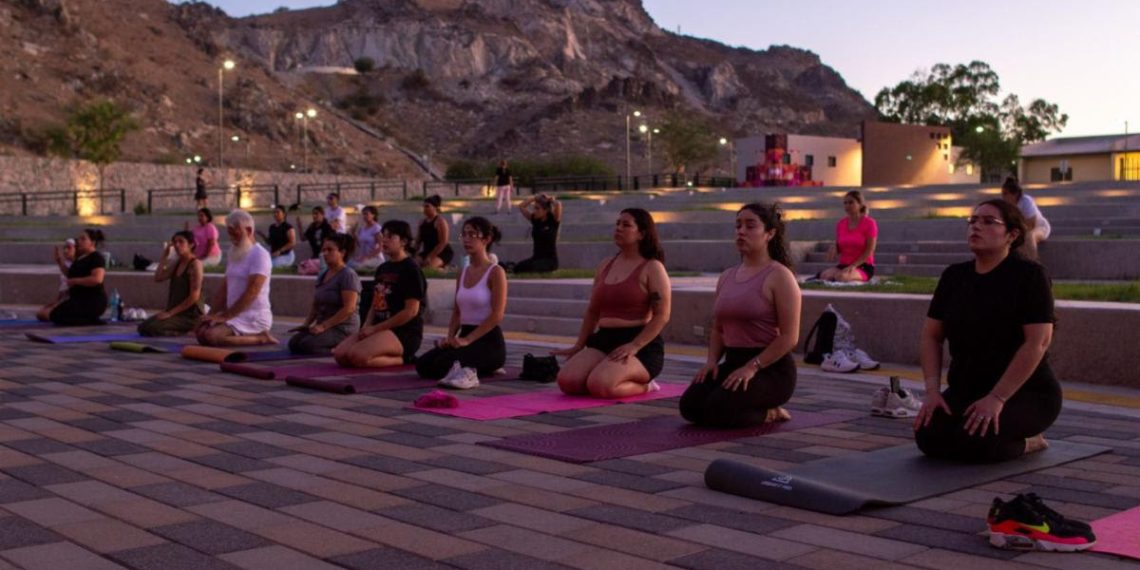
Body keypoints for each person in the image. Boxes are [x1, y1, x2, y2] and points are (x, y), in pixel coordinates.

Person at [913, 199, 1059, 463]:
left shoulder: (1029, 276)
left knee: (980, 443)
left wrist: (997, 397)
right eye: (973, 221)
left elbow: (1038, 342)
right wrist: (932, 392)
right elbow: (931, 336)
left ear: (1012, 235)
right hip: (967, 390)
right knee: (928, 435)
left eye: (989, 222)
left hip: (1026, 393)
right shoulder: (954, 277)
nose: (976, 227)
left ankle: (1032, 440)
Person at [680, 203, 801, 427]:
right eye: (738, 226)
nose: (741, 231)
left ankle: (770, 413)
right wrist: (711, 362)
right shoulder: (727, 276)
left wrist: (752, 367)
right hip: (734, 362)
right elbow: (718, 328)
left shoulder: (780, 276)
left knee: (719, 410)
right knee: (690, 407)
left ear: (770, 234)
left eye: (750, 226)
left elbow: (789, 337)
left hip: (770, 369)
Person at [554, 208, 671, 398]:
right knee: (567, 381)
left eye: (626, 225)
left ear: (641, 233)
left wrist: (634, 346)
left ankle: (647, 386)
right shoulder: (605, 265)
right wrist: (579, 345)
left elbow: (662, 315)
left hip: (639, 342)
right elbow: (593, 311)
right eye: (617, 224)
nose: (618, 228)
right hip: (604, 338)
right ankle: (605, 372)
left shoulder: (652, 267)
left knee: (601, 386)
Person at [415, 217, 508, 384]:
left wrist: (468, 340)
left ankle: (484, 366)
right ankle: (475, 364)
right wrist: (450, 337)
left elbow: (497, 315)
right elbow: (457, 311)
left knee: (442, 365)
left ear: (486, 239)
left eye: (472, 234)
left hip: (488, 340)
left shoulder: (496, 272)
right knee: (423, 365)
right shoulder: (463, 272)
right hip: (464, 335)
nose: (466, 239)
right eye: (464, 234)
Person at [333, 220, 427, 367]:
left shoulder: (411, 269)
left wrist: (376, 329)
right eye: (383, 236)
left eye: (390, 237)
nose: (384, 240)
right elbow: (376, 301)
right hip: (378, 328)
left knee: (358, 357)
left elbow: (411, 311)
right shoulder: (383, 268)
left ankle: (406, 359)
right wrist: (366, 326)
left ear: (403, 241)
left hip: (403, 332)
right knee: (340, 355)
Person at [195, 210, 277, 346]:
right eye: (229, 231)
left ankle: (261, 338)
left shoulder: (259, 255)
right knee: (201, 333)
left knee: (211, 336)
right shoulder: (234, 253)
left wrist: (225, 316)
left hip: (253, 316)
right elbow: (225, 288)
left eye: (234, 231)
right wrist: (212, 314)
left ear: (249, 230)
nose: (231, 236)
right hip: (235, 314)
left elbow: (252, 291)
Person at [288, 233, 361, 355]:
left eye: (330, 250)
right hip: (324, 327)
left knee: (308, 345)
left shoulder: (348, 275)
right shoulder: (323, 274)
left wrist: (323, 326)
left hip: (342, 328)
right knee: (294, 343)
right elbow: (316, 304)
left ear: (342, 252)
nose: (325, 253)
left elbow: (349, 308)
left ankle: (342, 350)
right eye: (323, 250)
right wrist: (306, 325)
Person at [137, 231, 204, 337]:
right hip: (175, 313)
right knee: (142, 327)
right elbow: (158, 277)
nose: (177, 245)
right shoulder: (178, 263)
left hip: (189, 315)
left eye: (181, 242)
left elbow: (194, 296)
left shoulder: (195, 264)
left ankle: (187, 332)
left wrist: (169, 313)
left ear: (191, 245)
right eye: (175, 242)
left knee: (153, 328)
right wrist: (164, 257)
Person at [49, 229, 108, 326]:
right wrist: (59, 261)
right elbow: (71, 274)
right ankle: (89, 319)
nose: (79, 241)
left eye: (83, 239)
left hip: (92, 300)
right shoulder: (80, 258)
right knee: (55, 314)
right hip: (79, 299)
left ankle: (91, 321)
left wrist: (76, 281)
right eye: (79, 239)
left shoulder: (96, 258)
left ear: (92, 243)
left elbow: (97, 279)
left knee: (58, 316)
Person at [820, 190, 877, 282]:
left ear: (860, 204)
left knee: (842, 277)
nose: (847, 205)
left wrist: (853, 266)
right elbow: (840, 246)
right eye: (845, 203)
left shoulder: (869, 223)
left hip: (862, 265)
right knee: (825, 275)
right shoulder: (841, 224)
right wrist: (835, 248)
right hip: (844, 264)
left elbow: (869, 251)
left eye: (851, 202)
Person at [1001, 177, 1050, 261]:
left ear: (1015, 194)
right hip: (1020, 230)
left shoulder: (1026, 201)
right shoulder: (1006, 207)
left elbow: (1031, 225)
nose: (1003, 197)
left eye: (1005, 194)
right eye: (1002, 194)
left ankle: (1033, 266)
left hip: (1039, 227)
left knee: (1029, 236)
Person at [515, 193, 561, 273]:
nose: (534, 211)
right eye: (534, 208)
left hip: (549, 261)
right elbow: (521, 206)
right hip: (536, 258)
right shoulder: (535, 220)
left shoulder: (553, 221)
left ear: (545, 210)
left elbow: (558, 205)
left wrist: (550, 199)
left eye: (537, 208)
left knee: (532, 267)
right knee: (518, 267)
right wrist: (534, 198)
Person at [36, 238, 76, 322]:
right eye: (64, 248)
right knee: (41, 312)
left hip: (74, 300)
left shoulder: (78, 265)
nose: (65, 250)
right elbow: (63, 288)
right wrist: (57, 301)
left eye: (69, 248)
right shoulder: (66, 264)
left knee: (43, 313)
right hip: (65, 299)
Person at [414, 195, 454, 270]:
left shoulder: (440, 221)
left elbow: (443, 242)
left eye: (427, 206)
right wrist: (413, 253)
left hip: (442, 252)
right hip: (427, 251)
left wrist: (430, 257)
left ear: (435, 207)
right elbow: (418, 242)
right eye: (424, 206)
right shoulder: (422, 222)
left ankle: (445, 269)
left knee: (428, 268)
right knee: (413, 266)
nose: (424, 209)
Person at [349, 205, 384, 270]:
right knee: (349, 264)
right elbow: (360, 244)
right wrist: (353, 233)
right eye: (363, 214)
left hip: (374, 258)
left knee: (355, 266)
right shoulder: (362, 229)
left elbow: (381, 247)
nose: (364, 216)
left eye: (366, 214)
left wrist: (367, 257)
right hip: (363, 258)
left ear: (373, 215)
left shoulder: (376, 228)